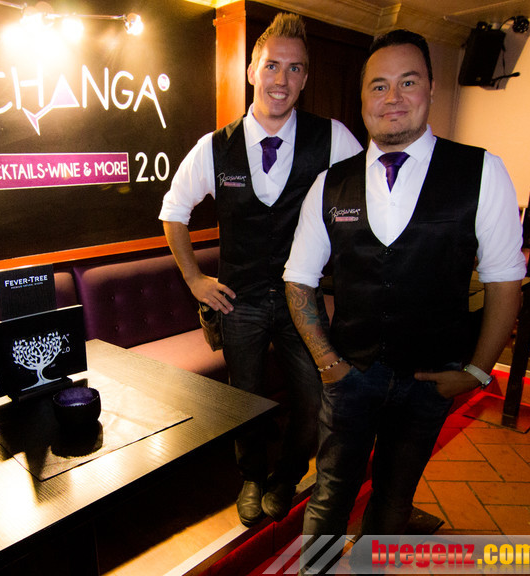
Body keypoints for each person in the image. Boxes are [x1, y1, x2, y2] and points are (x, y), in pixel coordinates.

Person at [283, 28, 526, 557]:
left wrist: (477, 372)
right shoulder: (330, 183)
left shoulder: (481, 171)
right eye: (379, 85)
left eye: (407, 82)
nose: (392, 97)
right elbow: (298, 279)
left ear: (431, 89)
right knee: (330, 493)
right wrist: (328, 363)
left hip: (430, 380)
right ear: (362, 98)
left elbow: (506, 280)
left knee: (394, 496)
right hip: (351, 375)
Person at [159, 12, 362, 527]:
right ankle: (251, 477)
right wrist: (194, 279)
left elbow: (366, 195)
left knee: (313, 398)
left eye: (295, 69)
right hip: (240, 301)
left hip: (302, 299)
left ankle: (288, 474)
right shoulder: (215, 147)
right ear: (252, 70)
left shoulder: (332, 138)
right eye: (272, 65)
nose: (282, 79)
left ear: (305, 77)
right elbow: (173, 211)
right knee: (243, 398)